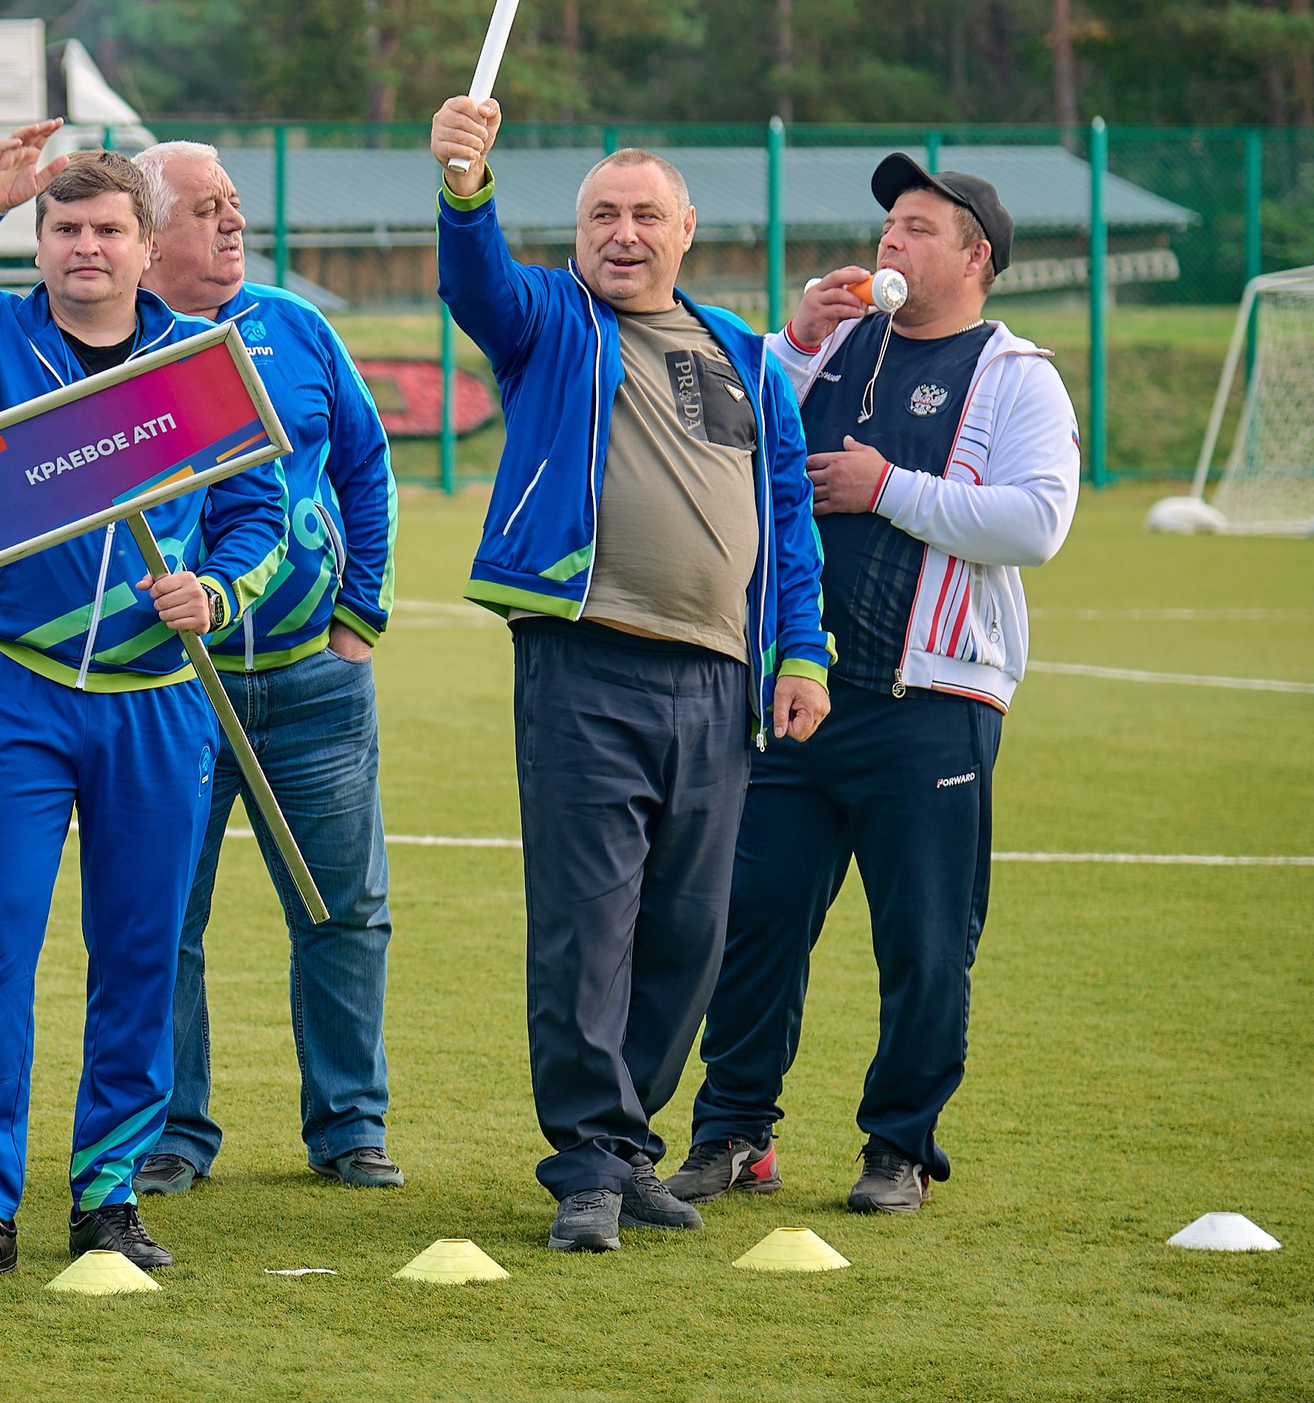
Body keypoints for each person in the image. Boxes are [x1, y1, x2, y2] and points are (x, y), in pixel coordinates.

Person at [0, 125, 287, 1288]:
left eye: (108, 228)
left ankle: (107, 1193)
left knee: (140, 954)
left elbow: (262, 517)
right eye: (64, 229)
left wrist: (217, 587)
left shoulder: (199, 365)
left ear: (146, 242)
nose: (85, 248)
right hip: (12, 693)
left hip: (155, 702)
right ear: (43, 242)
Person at [430, 95, 832, 1256]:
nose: (623, 231)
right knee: (586, 926)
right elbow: (476, 285)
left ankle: (624, 1145)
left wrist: (798, 649)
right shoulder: (549, 320)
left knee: (687, 932)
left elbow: (788, 519)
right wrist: (467, 187)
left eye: (644, 214)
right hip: (582, 662)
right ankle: (591, 1163)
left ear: (686, 228)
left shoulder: (748, 360)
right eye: (602, 213)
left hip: (718, 686)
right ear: (578, 235)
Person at [668, 157, 1078, 1216]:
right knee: (751, 923)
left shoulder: (1015, 373)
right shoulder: (837, 346)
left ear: (975, 255)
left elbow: (1037, 521)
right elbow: (722, 426)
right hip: (800, 698)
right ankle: (733, 1135)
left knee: (925, 941)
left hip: (930, 708)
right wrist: (796, 339)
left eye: (917, 227)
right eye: (888, 224)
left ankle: (898, 1146)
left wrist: (885, 487)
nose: (889, 242)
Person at [119, 141, 404, 1198]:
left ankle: (349, 1125)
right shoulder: (115, 356)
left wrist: (360, 614)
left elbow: (364, 463)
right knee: (162, 919)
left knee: (343, 911)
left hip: (315, 683)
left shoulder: (297, 328)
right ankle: (170, 1131)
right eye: (204, 209)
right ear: (147, 240)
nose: (231, 223)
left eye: (234, 205)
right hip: (172, 693)